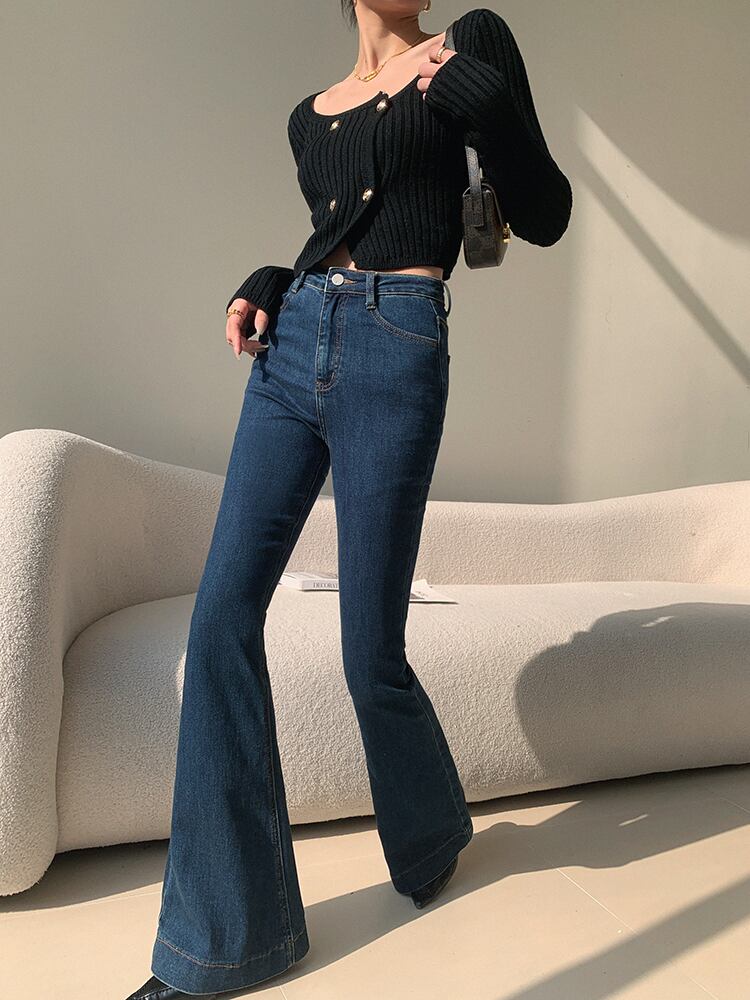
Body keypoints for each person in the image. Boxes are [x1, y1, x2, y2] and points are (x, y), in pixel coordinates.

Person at [126, 3, 572, 997]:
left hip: (397, 346)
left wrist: (487, 107)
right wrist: (274, 277)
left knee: (369, 650)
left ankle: (431, 831)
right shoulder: (310, 114)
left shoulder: (469, 44)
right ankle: (217, 944)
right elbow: (338, 233)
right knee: (220, 619)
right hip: (292, 347)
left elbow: (542, 213)